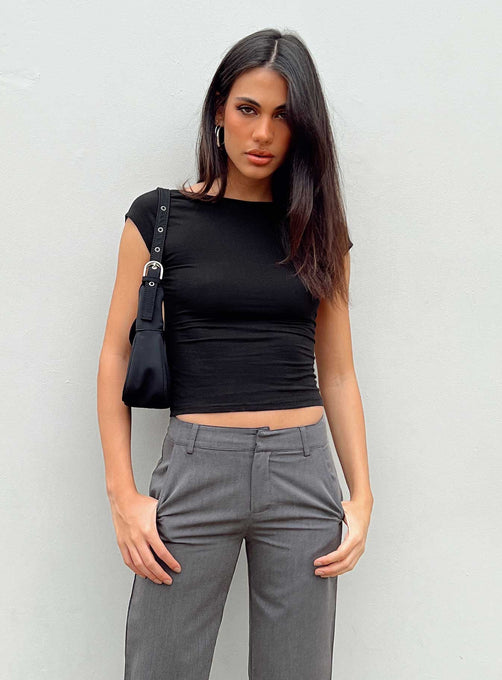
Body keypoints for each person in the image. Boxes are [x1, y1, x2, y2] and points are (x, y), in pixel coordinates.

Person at [97, 27, 373, 680]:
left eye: (284, 116)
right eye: (248, 108)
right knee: (160, 666)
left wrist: (362, 496)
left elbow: (337, 372)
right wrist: (123, 495)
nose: (263, 133)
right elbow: (114, 356)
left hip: (303, 474)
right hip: (197, 468)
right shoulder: (158, 218)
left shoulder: (320, 230)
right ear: (219, 109)